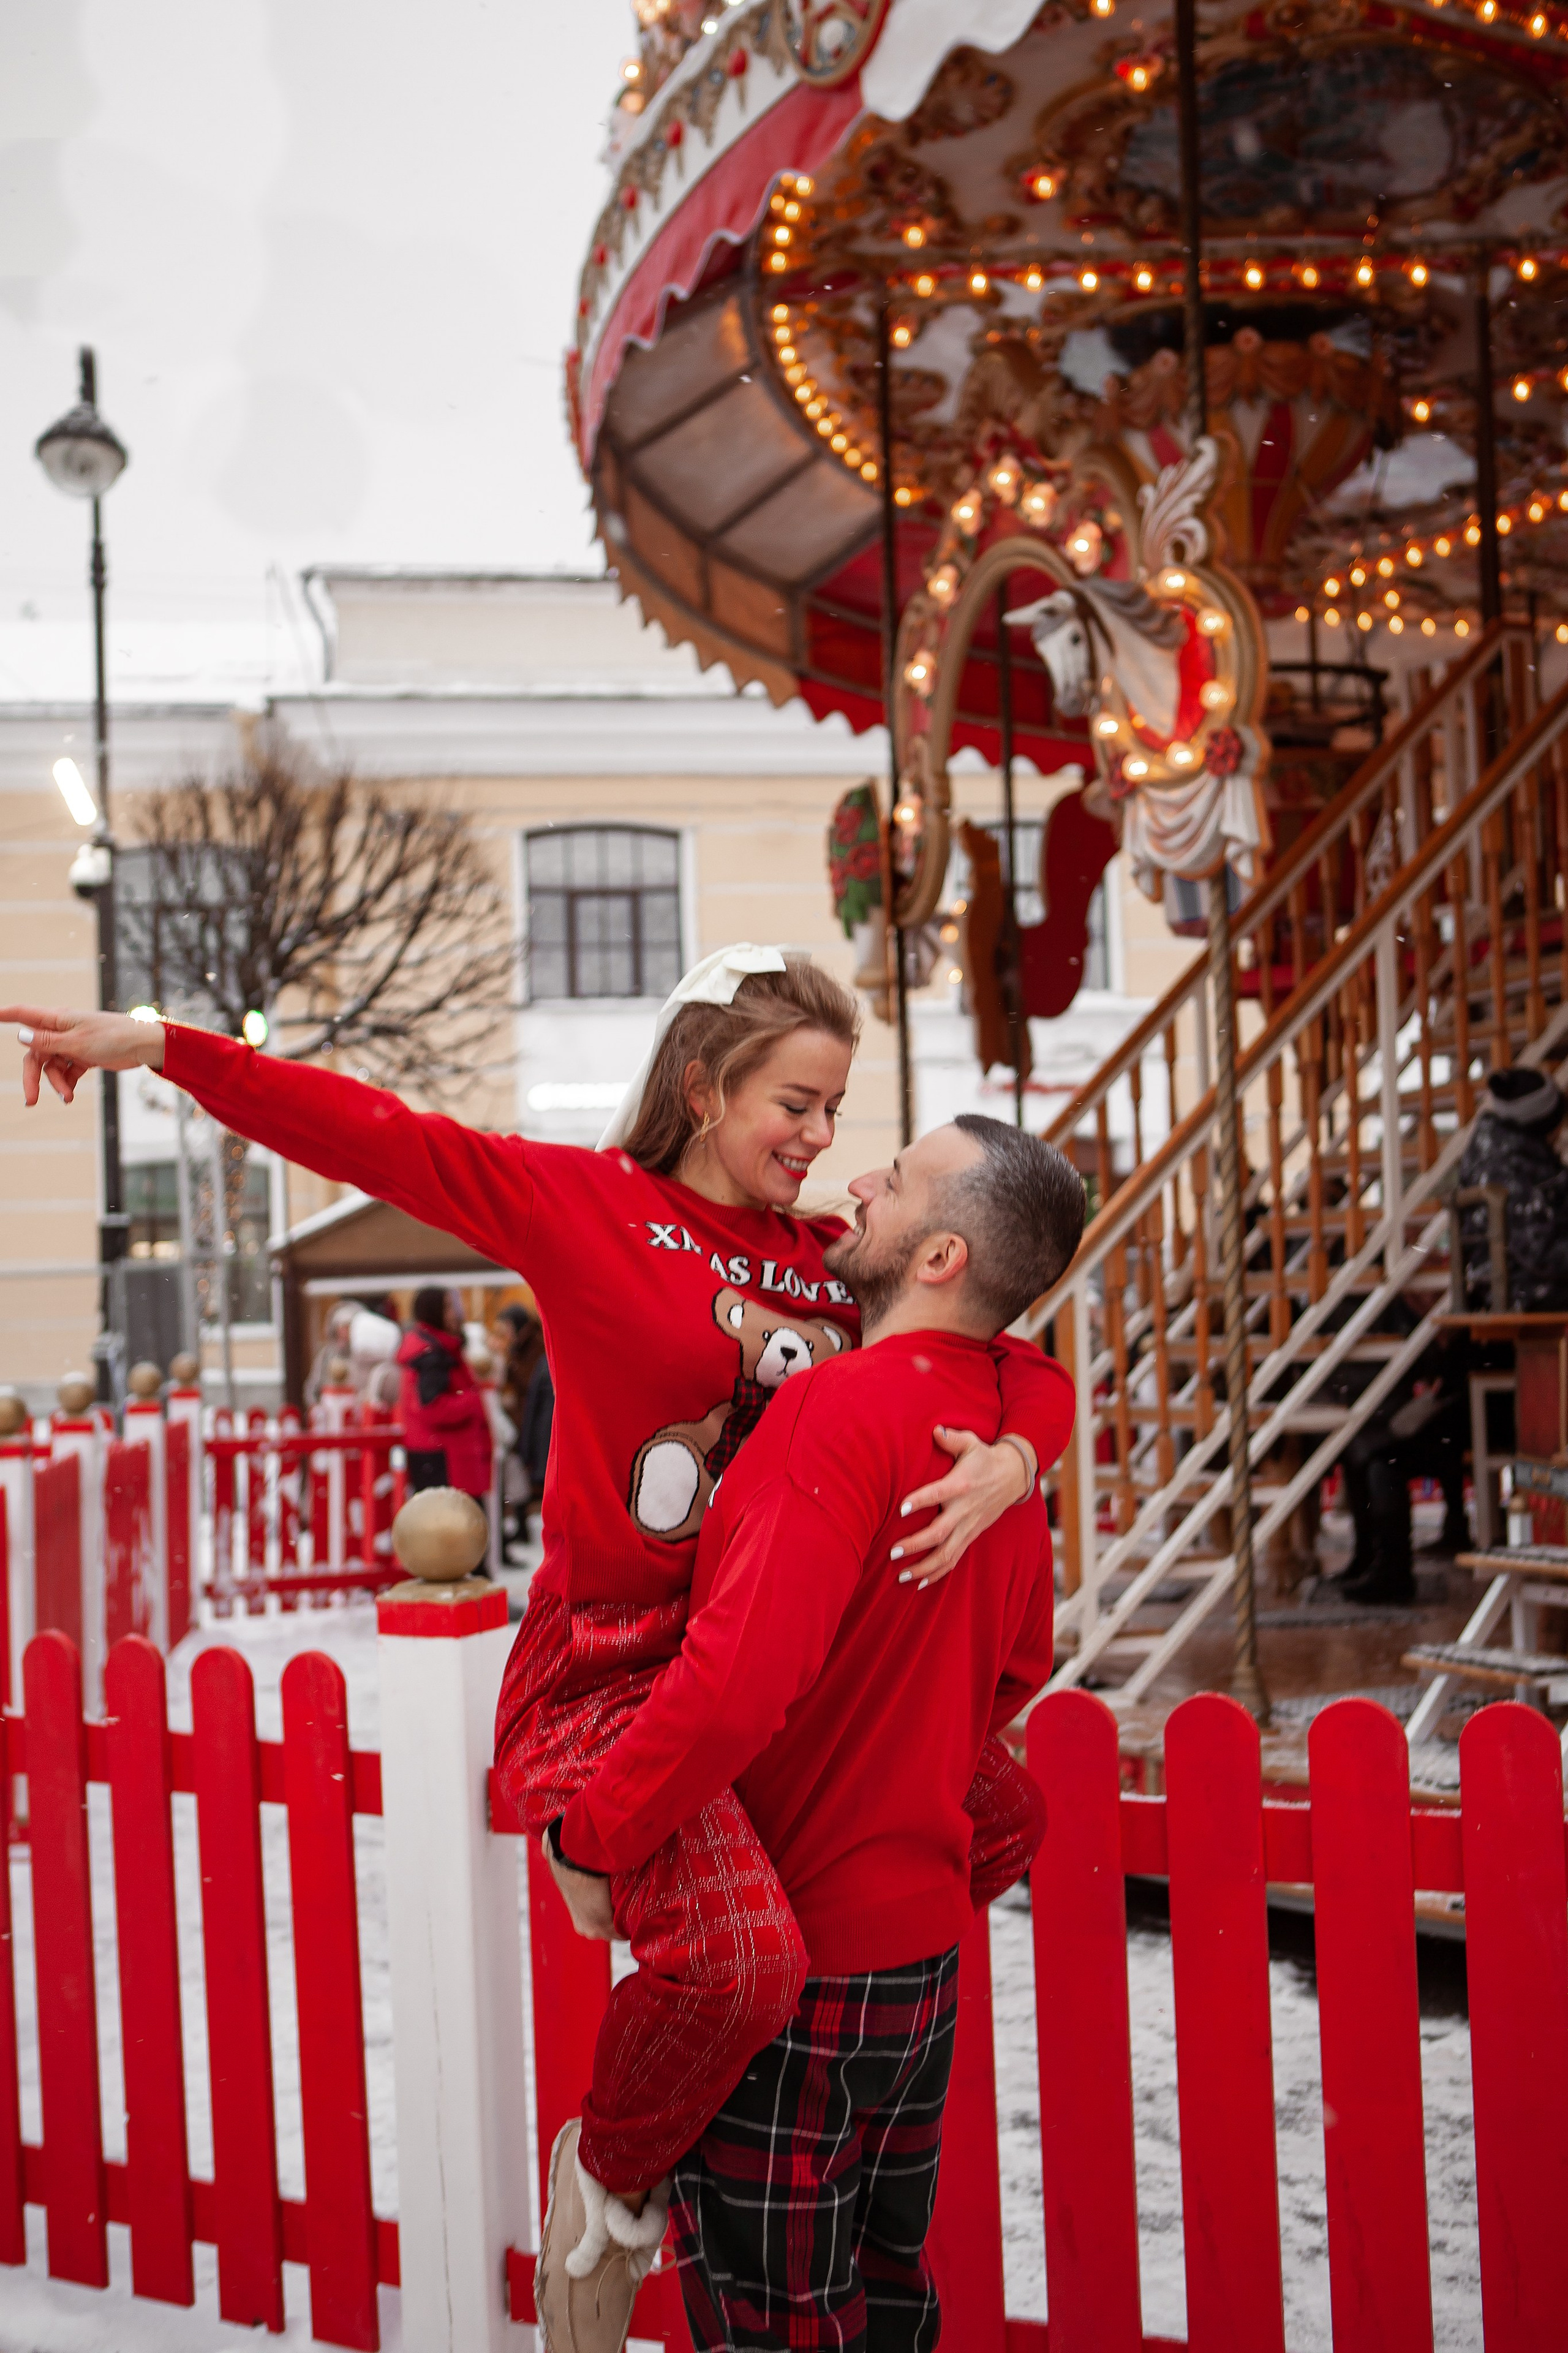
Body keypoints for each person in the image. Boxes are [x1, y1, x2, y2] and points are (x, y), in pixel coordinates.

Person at [534, 1116, 1084, 2353]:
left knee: (780, 2327)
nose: (860, 1180)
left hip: (803, 1968)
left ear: (938, 1257)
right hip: (920, 1968)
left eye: (898, 1179)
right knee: (885, 2301)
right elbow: (1016, 1667)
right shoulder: (995, 1447)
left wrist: (593, 1834)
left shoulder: (834, 1410)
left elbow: (735, 1688)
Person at [1456, 1065, 1568, 1313]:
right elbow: (1540, 1252)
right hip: (1524, 1291)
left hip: (1517, 1284)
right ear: (1545, 1125)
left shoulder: (1499, 1151)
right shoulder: (1507, 1170)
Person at [398, 1285, 494, 1501]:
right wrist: (471, 1402)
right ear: (435, 1311)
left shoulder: (434, 1349)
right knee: (453, 1518)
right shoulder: (433, 1356)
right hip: (443, 1459)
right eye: (449, 1307)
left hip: (437, 1455)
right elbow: (433, 1408)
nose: (456, 1313)